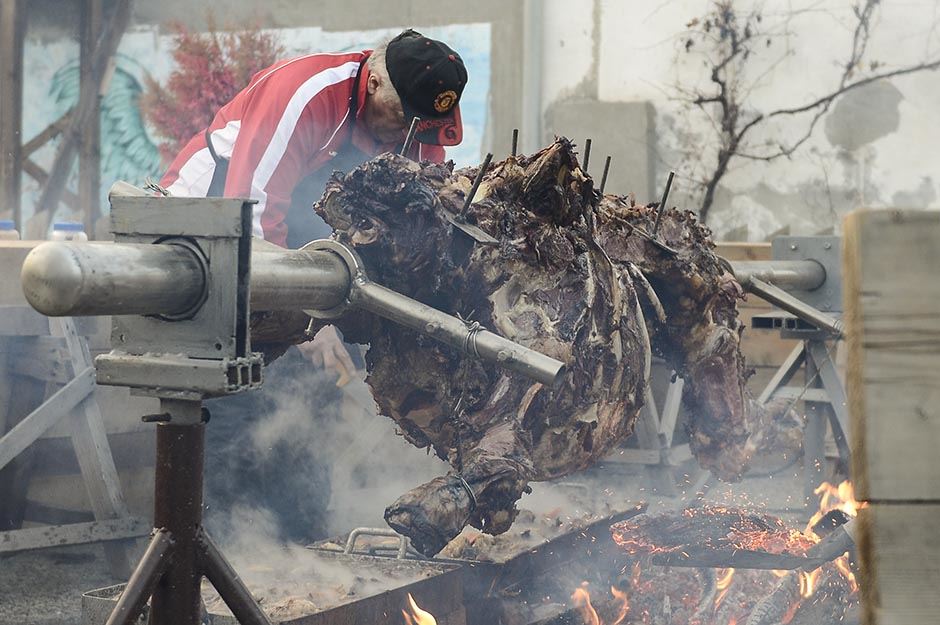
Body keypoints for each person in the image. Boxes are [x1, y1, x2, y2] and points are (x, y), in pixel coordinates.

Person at [159, 29, 468, 543]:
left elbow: (412, 231)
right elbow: (251, 216)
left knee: (312, 399)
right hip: (210, 233)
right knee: (239, 396)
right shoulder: (305, 95)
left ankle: (299, 549)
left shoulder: (417, 132)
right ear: (372, 83)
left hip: (301, 251)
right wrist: (307, 323)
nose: (405, 139)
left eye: (422, 127)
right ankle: (213, 556)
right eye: (402, 120)